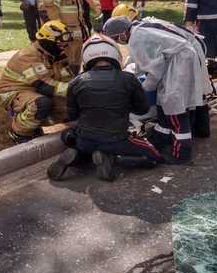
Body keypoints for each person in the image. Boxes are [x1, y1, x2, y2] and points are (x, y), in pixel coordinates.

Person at [46, 34, 162, 182]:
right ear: (115, 54)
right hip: (116, 140)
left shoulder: (76, 82)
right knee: (154, 157)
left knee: (67, 135)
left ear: (86, 57)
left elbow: (73, 115)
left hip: (84, 139)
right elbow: (142, 110)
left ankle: (78, 155)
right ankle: (113, 158)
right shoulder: (128, 79)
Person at [103, 10, 210, 164]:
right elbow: (142, 59)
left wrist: (142, 89)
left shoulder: (137, 38)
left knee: (175, 108)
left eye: (115, 39)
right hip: (179, 58)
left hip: (180, 61)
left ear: (121, 34)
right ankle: (163, 138)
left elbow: (155, 70)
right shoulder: (139, 28)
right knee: (164, 103)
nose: (118, 42)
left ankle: (181, 155)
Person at [0, 21, 73, 143]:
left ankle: (35, 125)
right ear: (48, 41)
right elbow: (43, 85)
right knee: (41, 104)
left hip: (34, 91)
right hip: (13, 92)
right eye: (60, 44)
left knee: (70, 108)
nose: (64, 47)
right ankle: (19, 133)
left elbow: (66, 78)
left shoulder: (55, 54)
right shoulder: (29, 56)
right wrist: (75, 88)